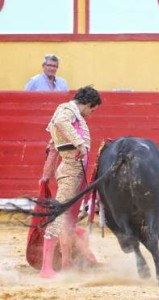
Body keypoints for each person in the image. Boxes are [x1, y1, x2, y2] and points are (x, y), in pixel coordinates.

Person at [38, 86, 102, 278]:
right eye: (92, 109)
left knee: (68, 220)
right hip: (70, 170)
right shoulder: (68, 110)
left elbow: (52, 147)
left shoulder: (71, 112)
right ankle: (46, 269)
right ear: (88, 103)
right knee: (58, 216)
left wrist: (46, 176)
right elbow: (59, 122)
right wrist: (80, 144)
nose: (91, 114)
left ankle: (66, 262)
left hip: (74, 172)